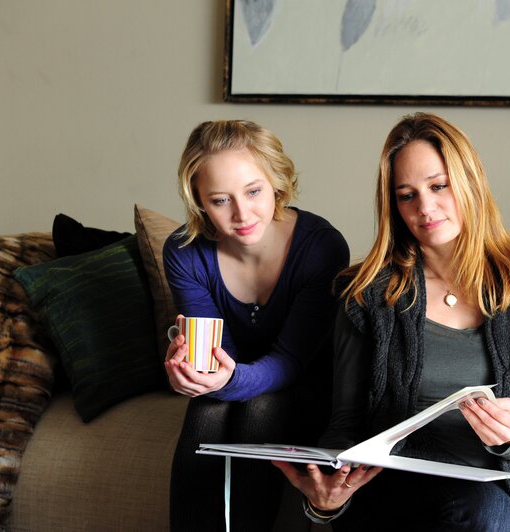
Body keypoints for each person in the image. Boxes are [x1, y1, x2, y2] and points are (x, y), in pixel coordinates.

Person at [274, 113, 510, 532]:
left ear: (470, 182)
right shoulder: (366, 293)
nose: (425, 208)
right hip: (392, 495)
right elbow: (346, 423)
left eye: (439, 186)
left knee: (479, 510)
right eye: (407, 195)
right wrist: (328, 500)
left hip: (491, 500)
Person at [163, 119, 350, 531]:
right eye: (220, 200)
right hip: (232, 380)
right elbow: (216, 354)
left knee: (259, 408)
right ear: (199, 201)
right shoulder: (185, 251)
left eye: (253, 191)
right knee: (206, 410)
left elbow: (291, 360)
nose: (242, 213)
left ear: (277, 184)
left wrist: (223, 381)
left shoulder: (321, 246)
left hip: (306, 383)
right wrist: (191, 373)